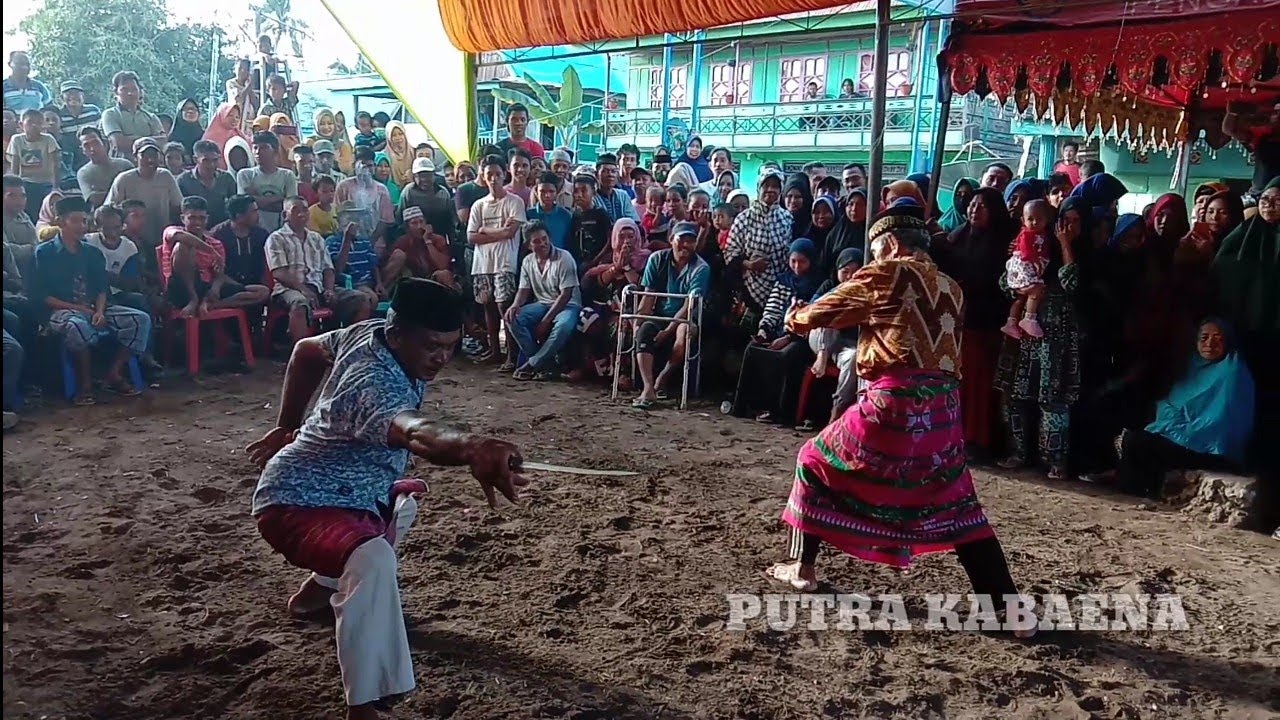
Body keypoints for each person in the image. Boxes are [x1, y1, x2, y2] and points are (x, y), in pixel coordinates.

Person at [247, 276, 526, 720]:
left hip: (353, 492)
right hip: (298, 501)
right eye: (432, 345)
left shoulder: (369, 330)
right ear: (398, 334)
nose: (441, 358)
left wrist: (286, 425)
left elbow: (306, 352)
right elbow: (415, 431)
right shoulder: (372, 384)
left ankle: (320, 589)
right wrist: (472, 447)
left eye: (450, 346)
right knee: (372, 558)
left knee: (403, 505)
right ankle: (364, 705)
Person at [766, 207, 1030, 633]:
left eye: (874, 251)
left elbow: (820, 314)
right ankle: (1011, 613)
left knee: (814, 459)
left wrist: (794, 316)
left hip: (894, 401)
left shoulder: (884, 274)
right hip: (944, 411)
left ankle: (802, 567)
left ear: (888, 245)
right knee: (960, 507)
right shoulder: (951, 287)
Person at [996, 196, 1087, 480]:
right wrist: (1022, 287)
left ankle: (1055, 460)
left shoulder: (1073, 250)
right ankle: (1018, 453)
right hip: (1024, 333)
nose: (1067, 226)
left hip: (1055, 334)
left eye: (1073, 221)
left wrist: (1065, 244)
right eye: (1065, 220)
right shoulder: (1028, 243)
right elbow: (1004, 283)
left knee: (1053, 397)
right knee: (1015, 395)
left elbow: (1072, 283)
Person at [1115, 318, 1254, 498]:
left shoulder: (1233, 372)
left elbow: (1218, 425)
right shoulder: (1193, 367)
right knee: (1132, 431)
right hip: (1186, 437)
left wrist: (1176, 428)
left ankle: (1132, 493)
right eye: (1203, 338)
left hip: (1212, 450)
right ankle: (1131, 487)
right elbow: (1169, 406)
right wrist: (1173, 425)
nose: (1209, 344)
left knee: (1137, 442)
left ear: (1228, 342)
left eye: (1218, 338)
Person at [33, 195, 151, 404]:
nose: (82, 226)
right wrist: (79, 308)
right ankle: (84, 385)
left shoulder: (92, 252)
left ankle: (114, 373)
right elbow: (43, 296)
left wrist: (98, 310)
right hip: (60, 310)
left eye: (85, 221)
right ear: (61, 222)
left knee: (139, 319)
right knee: (77, 326)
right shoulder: (45, 253)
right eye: (76, 221)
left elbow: (101, 288)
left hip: (93, 308)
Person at [931, 187, 1015, 454]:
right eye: (973, 205)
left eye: (982, 207)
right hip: (958, 321)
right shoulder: (959, 236)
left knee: (979, 383)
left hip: (985, 320)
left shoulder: (1002, 243)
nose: (974, 210)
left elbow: (992, 279)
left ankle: (978, 439)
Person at [732, 238, 821, 423]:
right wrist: (764, 330)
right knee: (753, 348)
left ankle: (779, 412)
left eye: (802, 261)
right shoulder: (783, 281)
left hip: (802, 338)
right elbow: (772, 309)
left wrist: (789, 337)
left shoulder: (818, 284)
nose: (797, 266)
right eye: (793, 261)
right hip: (778, 331)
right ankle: (749, 407)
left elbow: (813, 318)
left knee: (788, 354)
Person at [266, 196, 371, 345]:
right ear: (285, 215)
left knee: (361, 299)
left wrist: (329, 289)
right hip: (288, 289)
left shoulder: (316, 238)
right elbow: (279, 273)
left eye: (305, 210)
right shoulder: (276, 238)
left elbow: (328, 269)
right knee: (300, 303)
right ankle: (300, 356)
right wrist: (303, 289)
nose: (302, 214)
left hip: (318, 288)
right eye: (296, 210)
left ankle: (348, 347)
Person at [630, 222, 710, 408]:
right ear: (671, 239)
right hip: (660, 315)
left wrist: (667, 330)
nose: (686, 245)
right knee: (643, 329)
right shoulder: (657, 259)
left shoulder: (701, 267)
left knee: (685, 332)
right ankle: (648, 388)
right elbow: (649, 296)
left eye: (691, 241)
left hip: (686, 317)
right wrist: (638, 321)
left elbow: (689, 305)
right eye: (682, 239)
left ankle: (662, 379)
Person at [163, 195, 270, 318]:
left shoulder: (215, 243)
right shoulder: (172, 230)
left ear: (207, 219)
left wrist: (214, 290)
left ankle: (211, 305)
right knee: (184, 246)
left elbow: (219, 274)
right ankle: (193, 300)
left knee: (261, 292)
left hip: (205, 287)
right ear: (183, 218)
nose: (197, 222)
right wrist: (211, 251)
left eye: (201, 218)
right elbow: (179, 235)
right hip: (180, 289)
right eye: (192, 218)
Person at [466, 155, 527, 366]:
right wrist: (498, 231)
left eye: (497, 174)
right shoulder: (478, 205)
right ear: (483, 177)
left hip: (504, 261)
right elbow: (471, 236)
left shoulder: (514, 202)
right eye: (489, 174)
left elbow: (511, 232)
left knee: (504, 306)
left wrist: (485, 230)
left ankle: (512, 354)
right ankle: (494, 351)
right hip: (482, 263)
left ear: (504, 175)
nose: (493, 179)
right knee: (488, 307)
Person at [505, 220, 581, 380]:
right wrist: (515, 305)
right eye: (537, 241)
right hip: (543, 303)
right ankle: (543, 364)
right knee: (512, 318)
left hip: (567, 305)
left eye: (545, 238)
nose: (543, 243)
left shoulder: (564, 258)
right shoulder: (528, 261)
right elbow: (523, 289)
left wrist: (546, 321)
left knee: (563, 326)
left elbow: (566, 295)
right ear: (528, 245)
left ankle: (532, 364)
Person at [723, 169, 791, 332]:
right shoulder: (744, 218)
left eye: (775, 186)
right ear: (758, 188)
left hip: (778, 291)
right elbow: (730, 251)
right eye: (766, 185)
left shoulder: (786, 218)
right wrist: (748, 264)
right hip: (749, 289)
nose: (770, 190)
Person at [805, 247, 863, 425]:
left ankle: (837, 410)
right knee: (828, 315)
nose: (849, 277)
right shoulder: (829, 285)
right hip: (819, 337)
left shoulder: (864, 293)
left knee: (853, 357)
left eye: (855, 272)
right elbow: (812, 311)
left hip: (843, 346)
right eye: (845, 272)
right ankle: (822, 354)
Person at [104, 138, 183, 266]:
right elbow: (109, 210)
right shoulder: (124, 179)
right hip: (132, 242)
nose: (150, 160)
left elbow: (178, 206)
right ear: (135, 157)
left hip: (161, 240)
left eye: (153, 155)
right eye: (144, 155)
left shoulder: (166, 176)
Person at [1002, 199, 1055, 339]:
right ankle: (1029, 319)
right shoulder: (1026, 234)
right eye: (1030, 219)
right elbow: (1026, 251)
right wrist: (1035, 259)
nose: (1035, 222)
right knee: (1036, 290)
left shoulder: (1044, 236)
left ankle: (1011, 322)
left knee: (1020, 298)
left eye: (1039, 219)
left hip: (1029, 267)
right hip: (1022, 266)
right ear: (1023, 219)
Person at [237, 131, 298, 234]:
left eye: (264, 148)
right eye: (255, 148)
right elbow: (245, 207)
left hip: (282, 231)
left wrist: (256, 199)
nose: (258, 152)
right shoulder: (245, 175)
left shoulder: (287, 176)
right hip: (254, 232)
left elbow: (290, 208)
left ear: (274, 151)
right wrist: (280, 198)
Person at [335, 148, 394, 248]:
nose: (366, 169)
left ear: (374, 167)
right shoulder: (344, 186)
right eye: (362, 165)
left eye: (370, 166)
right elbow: (337, 214)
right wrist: (349, 238)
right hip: (347, 240)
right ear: (355, 166)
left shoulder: (381, 189)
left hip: (375, 242)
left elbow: (385, 220)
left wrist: (371, 242)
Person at [7, 108, 59, 220]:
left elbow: (55, 163)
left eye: (39, 123)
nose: (35, 125)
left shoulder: (48, 139)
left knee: (49, 202)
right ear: (21, 125)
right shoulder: (16, 140)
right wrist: (14, 186)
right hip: (25, 182)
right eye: (30, 122)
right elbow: (15, 165)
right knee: (24, 202)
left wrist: (56, 187)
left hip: (46, 182)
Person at [100, 71, 165, 158]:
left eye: (134, 89)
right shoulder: (110, 115)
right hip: (121, 167)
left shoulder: (150, 117)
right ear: (116, 92)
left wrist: (136, 140)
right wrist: (149, 140)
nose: (130, 93)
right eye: (124, 89)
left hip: (150, 165)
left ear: (140, 92)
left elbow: (163, 142)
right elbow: (119, 143)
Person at [210, 194, 270, 289]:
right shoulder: (218, 235)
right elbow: (215, 271)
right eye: (254, 211)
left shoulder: (261, 234)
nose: (258, 215)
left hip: (256, 285)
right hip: (227, 284)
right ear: (239, 216)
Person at [1222, 101, 1279, 201]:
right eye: (1276, 112)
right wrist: (1232, 112)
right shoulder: (1261, 136)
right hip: (1260, 194)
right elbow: (1229, 129)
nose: (1278, 116)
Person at [384, 205, 451, 288]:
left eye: (421, 222)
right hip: (411, 280)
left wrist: (428, 241)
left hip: (434, 279)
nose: (419, 226)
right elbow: (390, 264)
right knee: (399, 255)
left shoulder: (438, 239)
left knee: (444, 274)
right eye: (414, 223)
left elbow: (443, 266)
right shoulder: (402, 242)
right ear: (407, 227)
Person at [327, 211, 384, 307]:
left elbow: (373, 264)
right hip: (350, 283)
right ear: (339, 224)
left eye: (355, 220)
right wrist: (347, 239)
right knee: (371, 298)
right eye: (347, 222)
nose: (352, 225)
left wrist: (379, 283)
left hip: (368, 281)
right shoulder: (332, 242)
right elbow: (338, 269)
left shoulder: (364, 240)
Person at [177, 140, 237, 227]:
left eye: (215, 160)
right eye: (206, 161)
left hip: (222, 230)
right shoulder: (183, 180)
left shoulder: (226, 178)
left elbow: (234, 207)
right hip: (194, 230)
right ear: (195, 159)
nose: (211, 165)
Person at [566, 173, 612, 267]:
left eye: (583, 191)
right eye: (576, 191)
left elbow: (610, 240)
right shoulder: (574, 216)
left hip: (598, 263)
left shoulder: (601, 214)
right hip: (578, 264)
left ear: (593, 192)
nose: (579, 195)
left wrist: (595, 261)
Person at [526, 171, 572, 251]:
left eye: (551, 191)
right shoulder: (529, 215)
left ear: (557, 193)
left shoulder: (566, 216)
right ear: (536, 192)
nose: (547, 195)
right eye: (543, 191)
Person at [307, 109, 354, 175]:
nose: (326, 127)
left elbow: (347, 169)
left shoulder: (342, 145)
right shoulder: (310, 143)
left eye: (330, 123)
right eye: (322, 124)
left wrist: (335, 161)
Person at [594, 153, 636, 222]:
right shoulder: (592, 198)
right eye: (605, 171)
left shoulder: (623, 195)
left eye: (613, 171)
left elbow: (633, 221)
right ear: (596, 174)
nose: (610, 174)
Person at [382, 121, 414, 188]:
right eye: (394, 135)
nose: (398, 138)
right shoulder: (384, 156)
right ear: (389, 138)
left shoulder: (413, 152)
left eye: (400, 134)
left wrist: (412, 173)